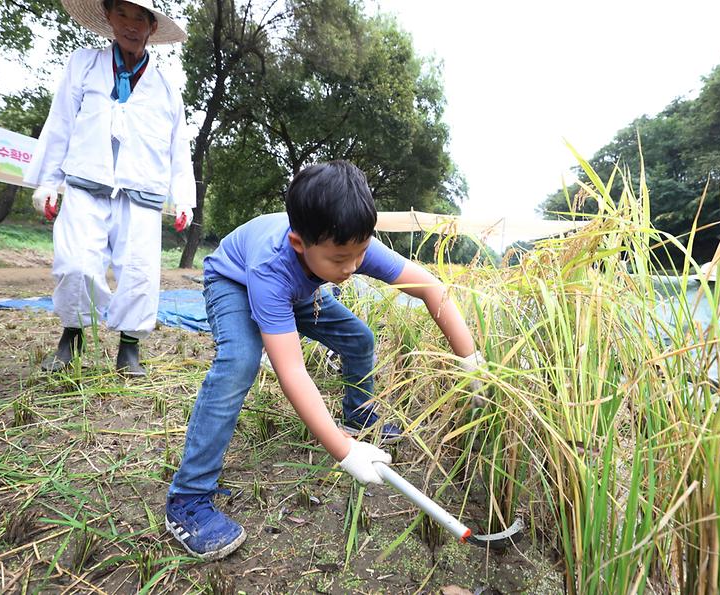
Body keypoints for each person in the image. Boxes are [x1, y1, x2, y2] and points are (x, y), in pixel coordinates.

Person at [165, 160, 485, 561]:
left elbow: (430, 288)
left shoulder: (347, 240)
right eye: (339, 260)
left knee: (358, 338)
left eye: (360, 254)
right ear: (300, 243)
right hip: (236, 281)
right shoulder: (271, 266)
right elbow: (292, 371)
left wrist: (471, 361)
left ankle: (360, 417)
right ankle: (188, 497)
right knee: (239, 362)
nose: (351, 268)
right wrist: (344, 452)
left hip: (296, 289)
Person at [24, 0, 196, 376]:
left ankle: (129, 348)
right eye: (122, 14)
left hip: (142, 192)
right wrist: (49, 181)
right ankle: (72, 335)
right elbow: (61, 122)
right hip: (86, 184)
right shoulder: (83, 64)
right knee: (76, 264)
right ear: (108, 17)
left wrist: (184, 198)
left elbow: (178, 144)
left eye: (139, 18)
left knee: (139, 273)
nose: (130, 25)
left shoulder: (167, 86)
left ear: (152, 27)